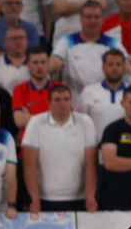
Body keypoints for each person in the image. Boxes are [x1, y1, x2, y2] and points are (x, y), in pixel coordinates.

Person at [22, 85, 99, 214]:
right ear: (49, 103)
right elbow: (29, 165)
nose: (62, 104)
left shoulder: (86, 122)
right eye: (57, 100)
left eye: (66, 99)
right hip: (45, 198)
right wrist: (34, 199)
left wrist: (90, 197)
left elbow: (91, 165)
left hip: (78, 197)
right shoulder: (35, 123)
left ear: (71, 102)